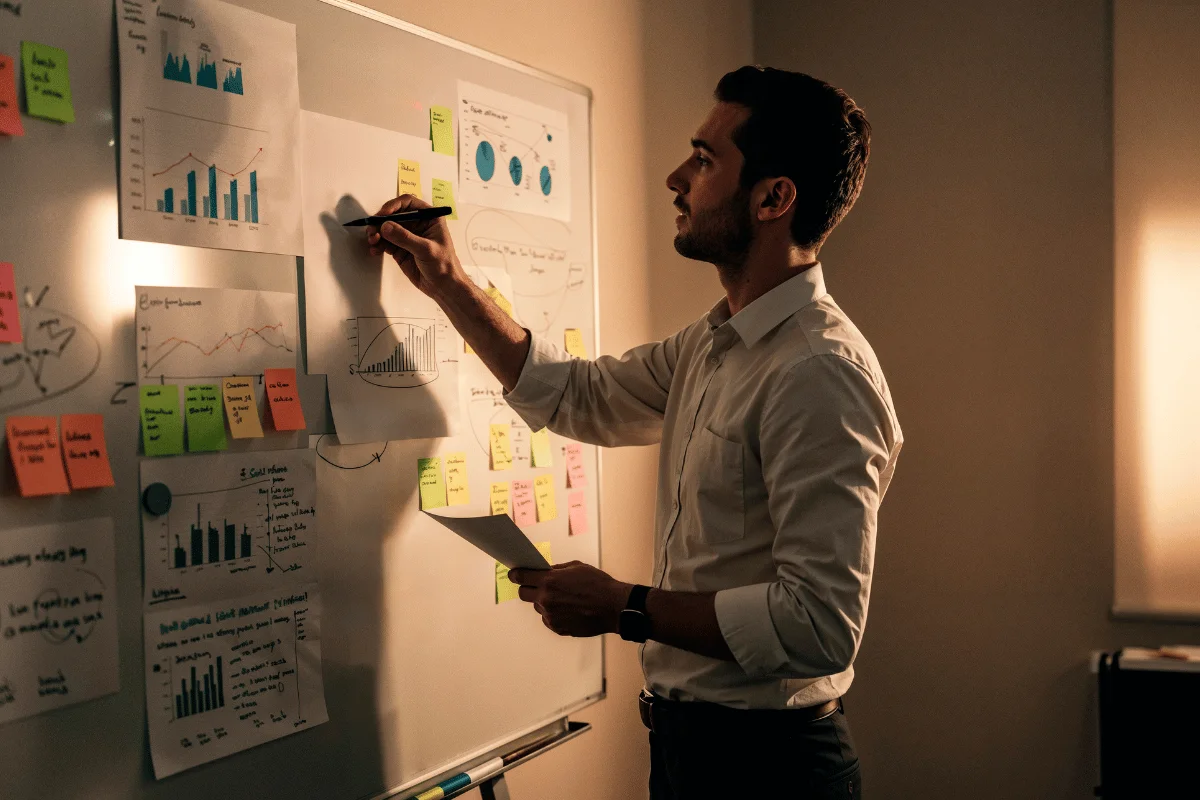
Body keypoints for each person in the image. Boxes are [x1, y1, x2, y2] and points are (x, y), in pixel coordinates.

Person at [366, 65, 902, 799]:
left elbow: (818, 624)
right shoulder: (713, 345)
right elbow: (579, 396)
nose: (677, 178)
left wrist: (624, 605)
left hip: (770, 771)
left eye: (706, 159)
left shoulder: (818, 373)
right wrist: (451, 284)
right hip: (694, 754)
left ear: (775, 198)